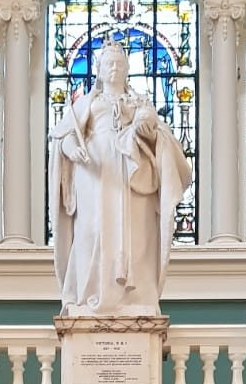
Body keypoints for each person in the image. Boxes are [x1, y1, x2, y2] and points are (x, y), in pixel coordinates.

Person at [49, 39, 191, 316]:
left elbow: (155, 133)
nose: (114, 68)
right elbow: (63, 136)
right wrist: (73, 149)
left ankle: (133, 299)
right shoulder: (88, 104)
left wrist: (144, 127)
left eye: (119, 64)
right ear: (99, 70)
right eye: (108, 64)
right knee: (93, 230)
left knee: (134, 233)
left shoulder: (139, 101)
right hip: (93, 171)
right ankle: (90, 296)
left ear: (127, 70)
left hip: (129, 171)